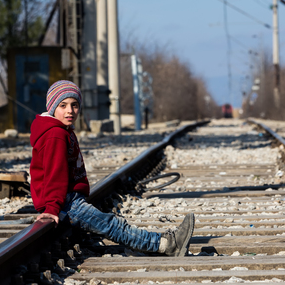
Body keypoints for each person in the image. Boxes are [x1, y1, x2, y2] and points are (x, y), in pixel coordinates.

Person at [30, 80, 194, 257]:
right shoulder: (56, 134)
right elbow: (56, 174)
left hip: (68, 200)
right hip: (66, 203)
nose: (70, 110)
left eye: (74, 105)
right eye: (63, 105)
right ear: (53, 106)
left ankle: (163, 243)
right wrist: (52, 208)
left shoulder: (62, 130)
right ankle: (167, 245)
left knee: (111, 223)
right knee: (113, 225)